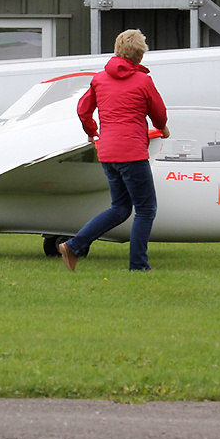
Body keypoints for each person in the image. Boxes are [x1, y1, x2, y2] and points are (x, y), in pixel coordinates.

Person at [59, 29, 169, 272]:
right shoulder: (143, 81)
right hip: (132, 152)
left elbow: (83, 109)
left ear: (117, 50)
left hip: (107, 152)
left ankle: (75, 246)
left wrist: (91, 130)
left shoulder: (99, 79)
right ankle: (139, 266)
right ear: (140, 56)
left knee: (120, 208)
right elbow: (158, 113)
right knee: (146, 209)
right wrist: (162, 128)